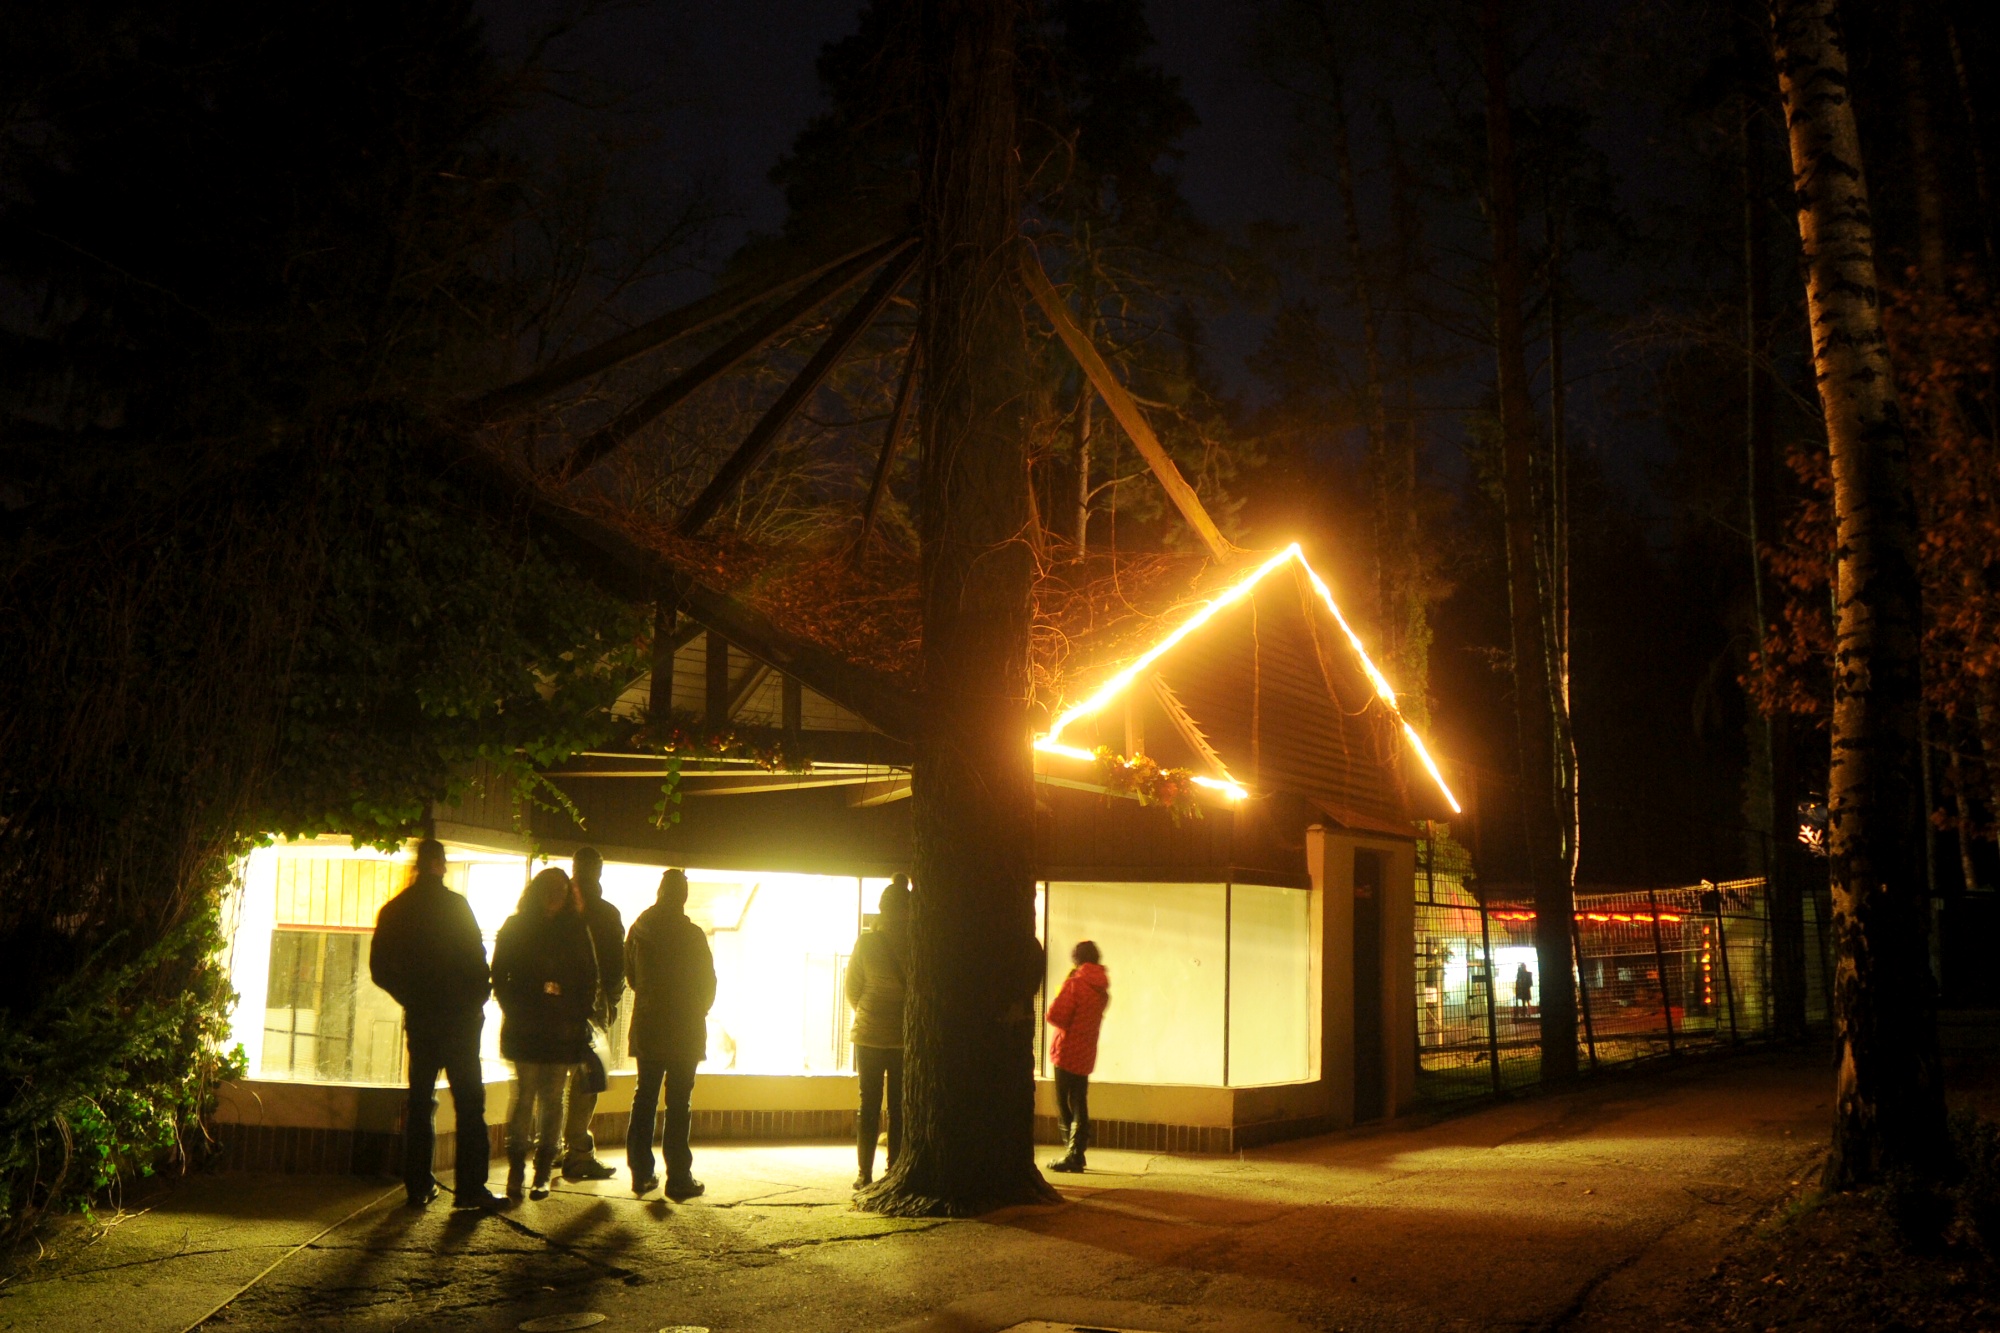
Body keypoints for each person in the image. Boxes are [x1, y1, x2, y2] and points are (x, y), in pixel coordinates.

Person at [369, 839, 502, 1210]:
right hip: (460, 1019)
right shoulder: (456, 907)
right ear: (440, 865)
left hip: (422, 1017)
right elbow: (477, 958)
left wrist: (410, 996)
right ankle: (470, 1188)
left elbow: (380, 969)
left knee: (420, 1102)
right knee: (470, 1104)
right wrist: (476, 1000)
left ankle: (418, 1184)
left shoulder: (396, 910)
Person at [491, 867, 598, 1201]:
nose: (556, 897)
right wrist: (521, 1006)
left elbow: (589, 977)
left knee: (546, 1098)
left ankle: (540, 1170)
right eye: (551, 890)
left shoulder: (571, 929)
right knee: (530, 1096)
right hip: (533, 1025)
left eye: (561, 891)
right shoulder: (521, 927)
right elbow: (499, 974)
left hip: (556, 1028)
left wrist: (573, 1011)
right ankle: (520, 1169)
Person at [625, 867, 716, 1200]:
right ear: (683, 897)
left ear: (659, 892)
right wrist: (697, 1009)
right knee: (679, 1102)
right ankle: (678, 1176)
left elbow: (631, 977)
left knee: (645, 1096)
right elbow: (708, 983)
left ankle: (640, 1173)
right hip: (684, 1029)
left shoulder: (638, 930)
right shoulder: (692, 936)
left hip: (648, 1026)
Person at [559, 847, 624, 1182]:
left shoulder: (557, 908)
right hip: (591, 1011)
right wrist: (609, 1005)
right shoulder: (606, 914)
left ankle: (554, 1147)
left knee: (556, 1081)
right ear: (599, 871)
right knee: (587, 1082)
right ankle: (578, 1152)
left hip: (556, 1009)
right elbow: (616, 967)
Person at [845, 874, 909, 1189]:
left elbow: (852, 988)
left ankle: (863, 1174)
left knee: (868, 1104)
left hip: (868, 1035)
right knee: (898, 1107)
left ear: (882, 909)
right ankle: (894, 1169)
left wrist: (869, 1010)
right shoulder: (917, 944)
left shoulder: (867, 942)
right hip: (902, 1037)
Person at [1045, 940, 1109, 1174]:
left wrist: (1063, 988)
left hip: (1066, 1051)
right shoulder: (1101, 990)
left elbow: (1055, 1015)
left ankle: (1072, 1154)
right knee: (1080, 1101)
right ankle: (1077, 1152)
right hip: (1086, 1053)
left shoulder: (1075, 984)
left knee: (1064, 1102)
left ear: (1077, 959)